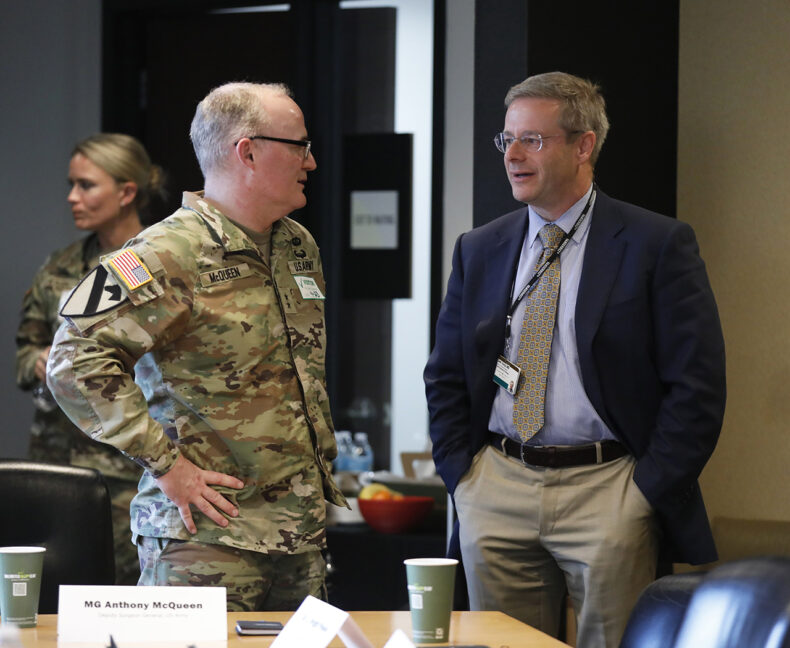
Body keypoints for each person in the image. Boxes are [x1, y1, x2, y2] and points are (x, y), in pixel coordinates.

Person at [423, 71, 725, 647]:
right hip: (498, 482)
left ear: (583, 145)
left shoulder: (655, 243)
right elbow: (445, 374)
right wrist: (464, 477)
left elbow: (698, 384)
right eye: (506, 139)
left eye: (532, 140)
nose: (512, 154)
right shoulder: (480, 247)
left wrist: (646, 490)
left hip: (608, 486)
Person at [46, 82, 347, 610]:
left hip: (298, 538)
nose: (312, 161)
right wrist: (166, 466)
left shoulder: (297, 244)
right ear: (247, 151)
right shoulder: (166, 252)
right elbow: (73, 359)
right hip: (204, 542)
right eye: (299, 145)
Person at [16, 133, 167, 585]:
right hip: (58, 465)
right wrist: (39, 361)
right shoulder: (59, 268)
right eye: (72, 184)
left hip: (132, 469)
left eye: (86, 185)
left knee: (123, 595)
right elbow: (23, 353)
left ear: (126, 192)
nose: (72, 197)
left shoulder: (164, 264)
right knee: (55, 595)